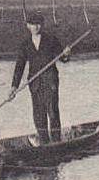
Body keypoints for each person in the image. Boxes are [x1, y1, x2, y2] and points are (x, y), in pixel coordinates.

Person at [8, 12, 71, 143]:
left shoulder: (51, 39)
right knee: (38, 114)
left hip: (50, 81)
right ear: (27, 26)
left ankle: (56, 141)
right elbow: (19, 66)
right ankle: (43, 142)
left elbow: (62, 58)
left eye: (38, 24)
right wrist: (14, 87)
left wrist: (66, 54)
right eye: (32, 24)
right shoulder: (25, 44)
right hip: (34, 83)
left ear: (42, 25)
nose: (36, 27)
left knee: (52, 111)